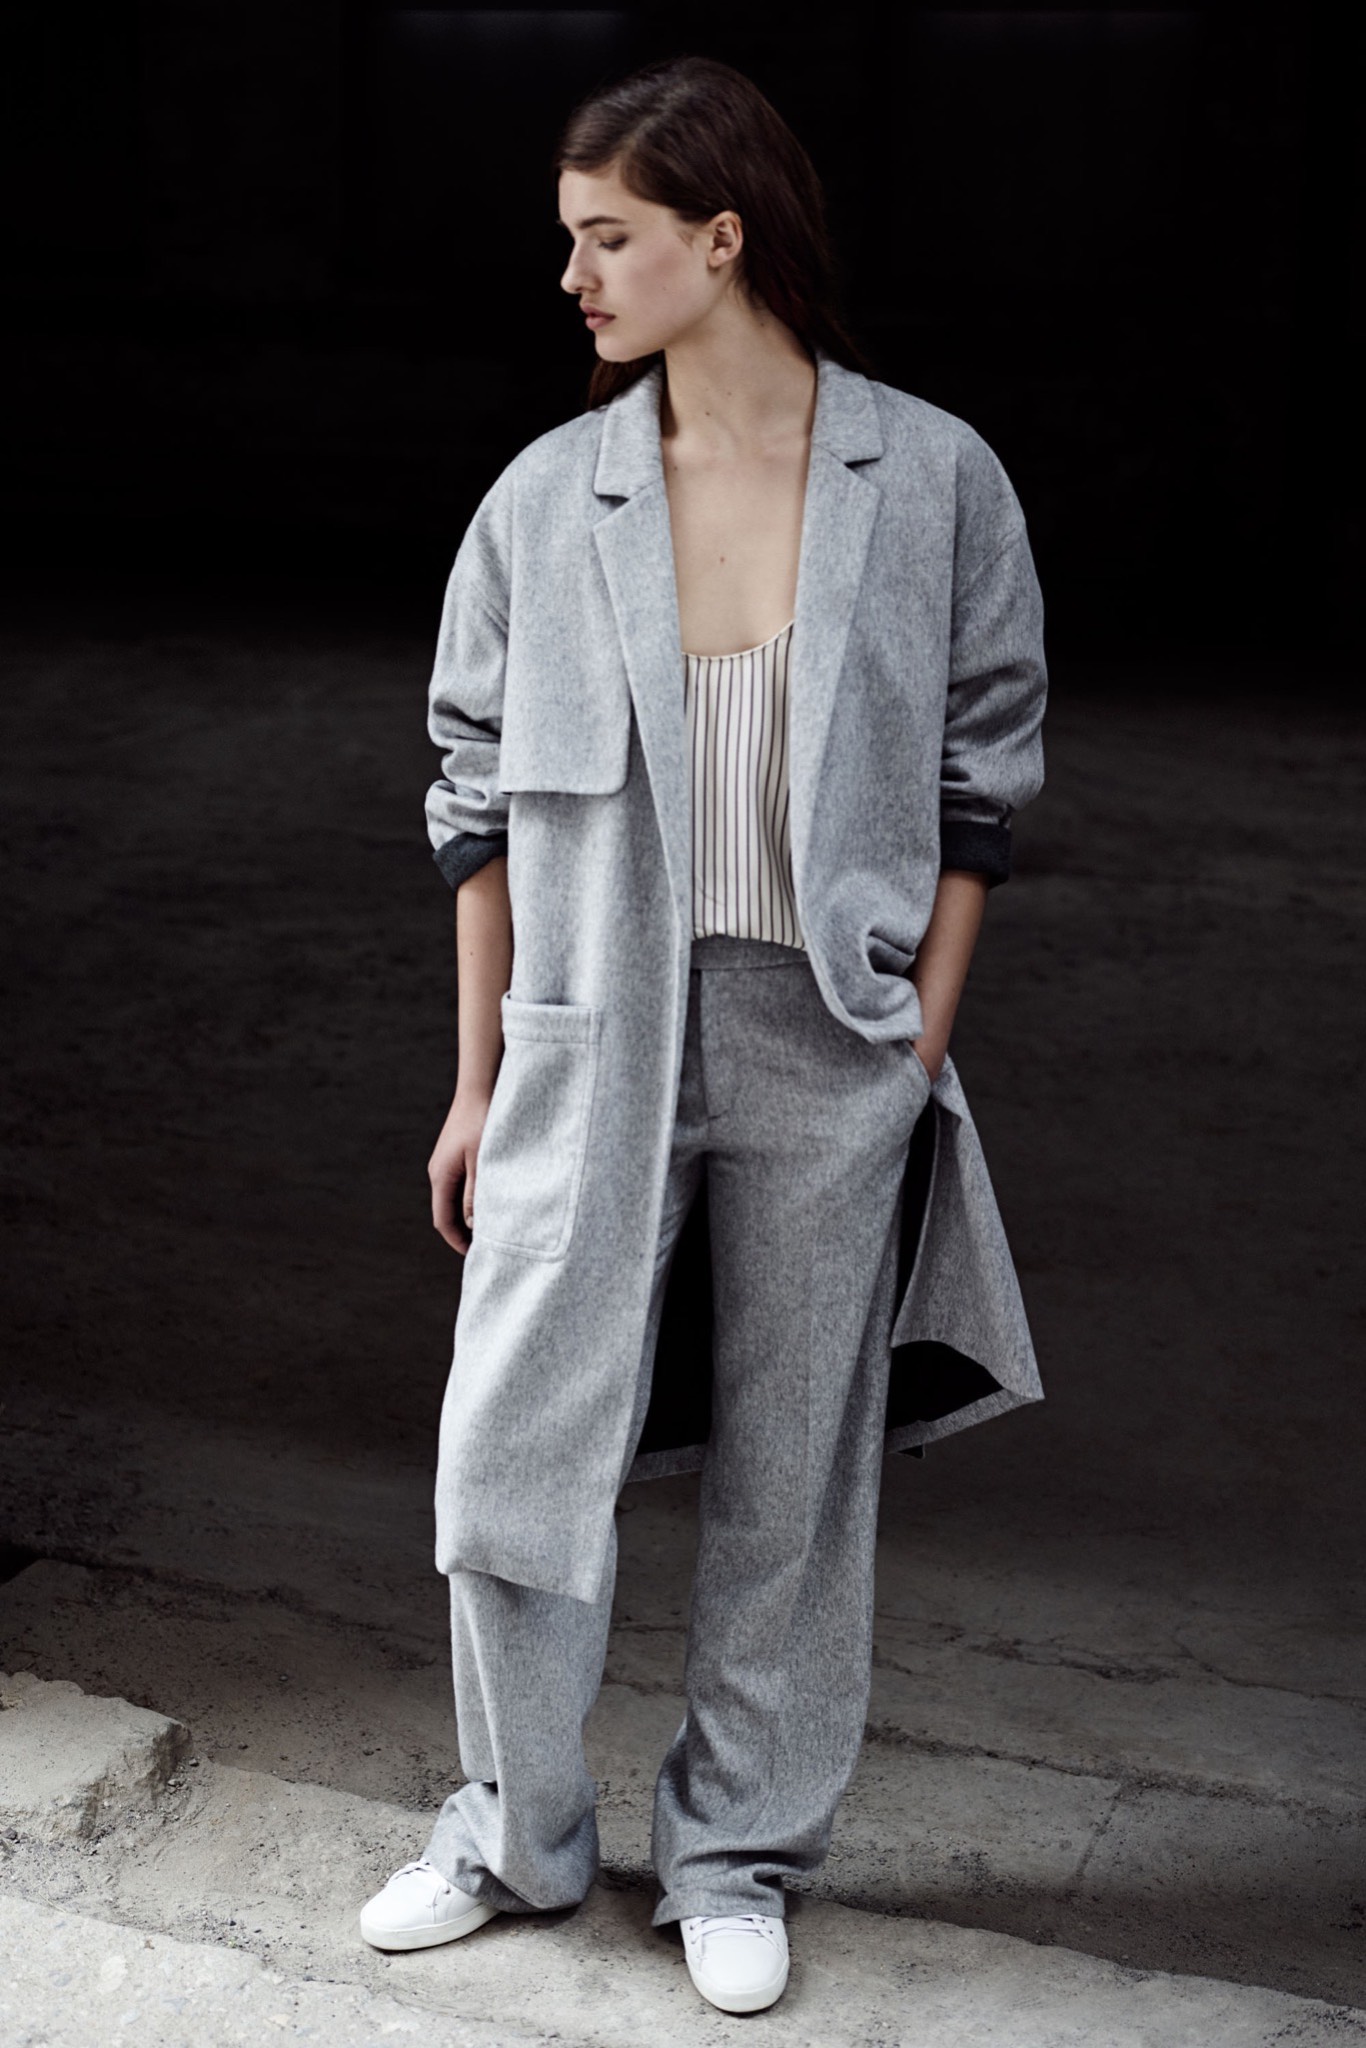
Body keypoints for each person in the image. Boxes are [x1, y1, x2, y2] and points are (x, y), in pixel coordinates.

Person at [359, 53, 1047, 2018]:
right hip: (590, 1029)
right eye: (568, 240)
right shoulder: (542, 499)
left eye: (608, 238)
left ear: (719, 239)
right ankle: (516, 1830)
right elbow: (471, 802)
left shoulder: (929, 479)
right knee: (512, 1442)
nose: (572, 277)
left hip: (826, 1043)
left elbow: (983, 772)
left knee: (791, 1479)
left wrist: (914, 1039)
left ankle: (736, 1852)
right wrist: (479, 1077)